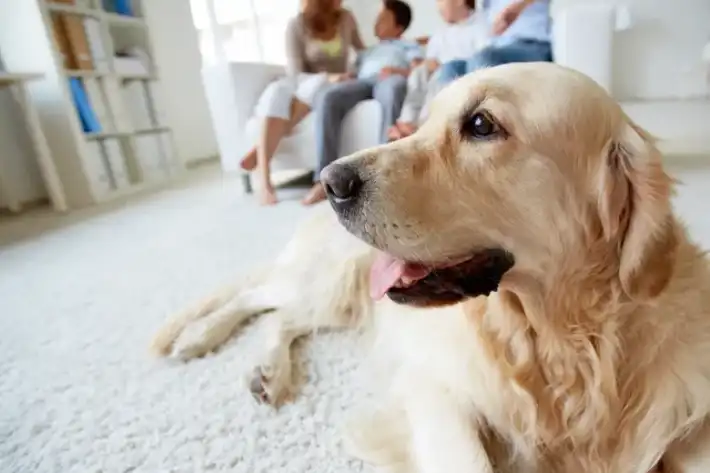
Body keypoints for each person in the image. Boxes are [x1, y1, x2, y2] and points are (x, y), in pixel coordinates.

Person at [239, 0, 365, 206]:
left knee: (320, 84)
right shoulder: (297, 24)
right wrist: (329, 75)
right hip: (303, 81)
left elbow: (361, 51)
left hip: (330, 86)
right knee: (277, 91)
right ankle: (265, 182)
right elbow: (295, 72)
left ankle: (259, 149)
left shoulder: (346, 18)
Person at [302, 0, 422, 205]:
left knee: (395, 88)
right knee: (329, 96)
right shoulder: (368, 52)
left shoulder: (409, 45)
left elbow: (419, 70)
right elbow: (355, 71)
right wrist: (347, 76)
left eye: (383, 19)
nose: (377, 21)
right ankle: (322, 179)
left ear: (398, 27)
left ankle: (384, 173)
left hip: (389, 78)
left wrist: (398, 71)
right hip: (362, 81)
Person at [387, 0, 488, 141]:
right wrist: (426, 64)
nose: (438, 6)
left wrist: (440, 66)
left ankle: (422, 127)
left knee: (442, 73)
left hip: (459, 76)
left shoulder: (481, 24)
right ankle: (407, 122)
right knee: (419, 72)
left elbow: (483, 59)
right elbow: (430, 60)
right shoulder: (442, 32)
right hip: (438, 74)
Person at [438, 0, 552, 84]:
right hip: (498, 48)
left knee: (482, 58)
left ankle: (489, 115)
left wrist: (518, 7)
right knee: (451, 68)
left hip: (533, 44)